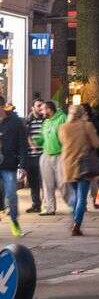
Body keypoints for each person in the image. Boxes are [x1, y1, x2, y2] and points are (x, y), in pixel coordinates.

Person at [58, 103, 99, 236]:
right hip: (83, 164)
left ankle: (75, 217)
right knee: (82, 196)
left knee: (76, 194)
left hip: (68, 164)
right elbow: (97, 143)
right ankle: (77, 224)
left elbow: (63, 142)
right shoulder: (87, 126)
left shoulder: (63, 127)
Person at [0, 103, 28, 236]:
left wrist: (22, 165)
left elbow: (23, 145)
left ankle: (14, 220)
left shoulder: (15, 122)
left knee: (11, 194)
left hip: (9, 165)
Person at [35, 100, 66, 216]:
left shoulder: (62, 118)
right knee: (47, 184)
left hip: (60, 155)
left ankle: (74, 204)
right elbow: (42, 138)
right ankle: (49, 208)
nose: (41, 111)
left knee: (63, 183)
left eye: (43, 109)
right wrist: (34, 141)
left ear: (49, 109)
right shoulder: (46, 122)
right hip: (46, 155)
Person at [24, 99, 44, 214]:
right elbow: (25, 136)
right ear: (33, 108)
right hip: (31, 156)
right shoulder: (28, 121)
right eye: (38, 105)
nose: (40, 107)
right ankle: (36, 204)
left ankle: (47, 205)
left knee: (45, 182)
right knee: (33, 182)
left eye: (42, 105)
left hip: (43, 155)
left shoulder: (46, 120)